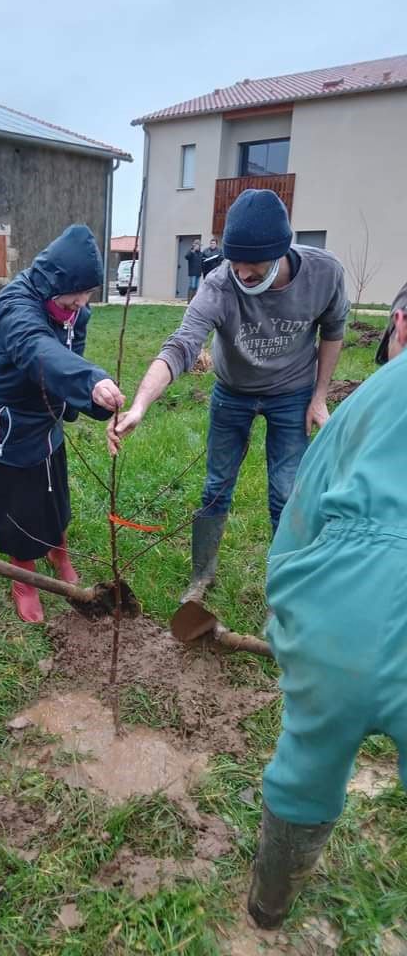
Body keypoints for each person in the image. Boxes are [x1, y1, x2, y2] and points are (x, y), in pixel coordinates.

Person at [248, 280, 407, 928]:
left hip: (345, 611)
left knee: (307, 763)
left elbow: (298, 528)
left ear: (400, 325)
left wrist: (289, 621)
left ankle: (268, 905)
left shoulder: (371, 400)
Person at [108, 189, 348, 602]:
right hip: (233, 392)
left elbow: (334, 330)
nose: (241, 274)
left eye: (251, 266)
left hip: (292, 393)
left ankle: (284, 586)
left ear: (279, 252)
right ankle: (202, 578)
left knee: (287, 491)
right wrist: (141, 405)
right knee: (216, 486)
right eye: (234, 263)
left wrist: (319, 396)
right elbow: (181, 345)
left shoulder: (324, 273)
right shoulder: (220, 284)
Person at [0, 225, 124, 623]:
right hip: (8, 417)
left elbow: (74, 350)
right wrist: (89, 381)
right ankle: (24, 577)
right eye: (78, 294)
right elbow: (36, 348)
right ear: (54, 282)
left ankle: (59, 550)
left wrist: (83, 400)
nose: (82, 303)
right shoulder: (14, 305)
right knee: (20, 501)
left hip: (45, 412)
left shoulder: (75, 309)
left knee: (53, 487)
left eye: (88, 294)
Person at [185, 238, 203, 302]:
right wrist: (193, 250)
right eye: (197, 245)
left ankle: (194, 301)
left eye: (199, 245)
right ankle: (189, 300)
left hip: (198, 273)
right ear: (194, 245)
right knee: (192, 286)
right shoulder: (191, 251)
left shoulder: (201, 253)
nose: (198, 246)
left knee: (196, 287)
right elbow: (186, 257)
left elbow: (202, 262)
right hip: (192, 273)